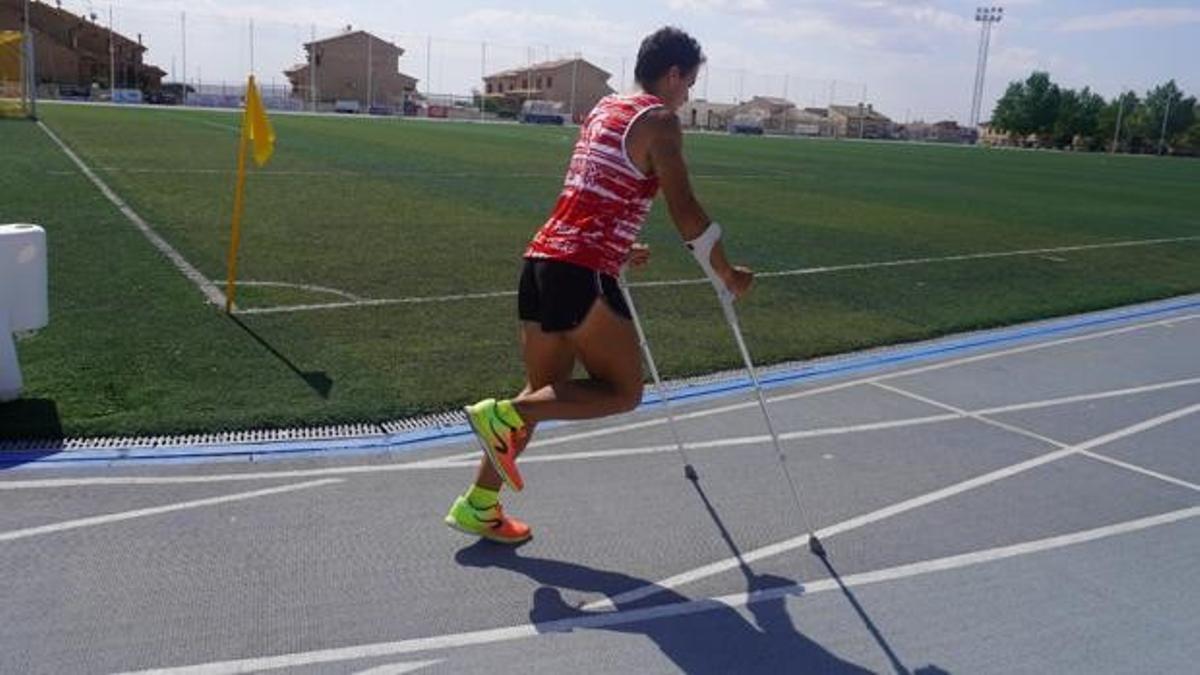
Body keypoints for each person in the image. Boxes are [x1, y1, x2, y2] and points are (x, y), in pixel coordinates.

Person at [446, 26, 754, 544]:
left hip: (542, 261)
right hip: (581, 269)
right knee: (623, 392)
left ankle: (478, 503)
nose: (688, 95)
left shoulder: (606, 108)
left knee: (547, 393)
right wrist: (727, 272)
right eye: (690, 82)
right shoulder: (660, 120)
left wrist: (616, 247)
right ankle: (501, 413)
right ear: (674, 74)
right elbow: (687, 215)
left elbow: (596, 184)